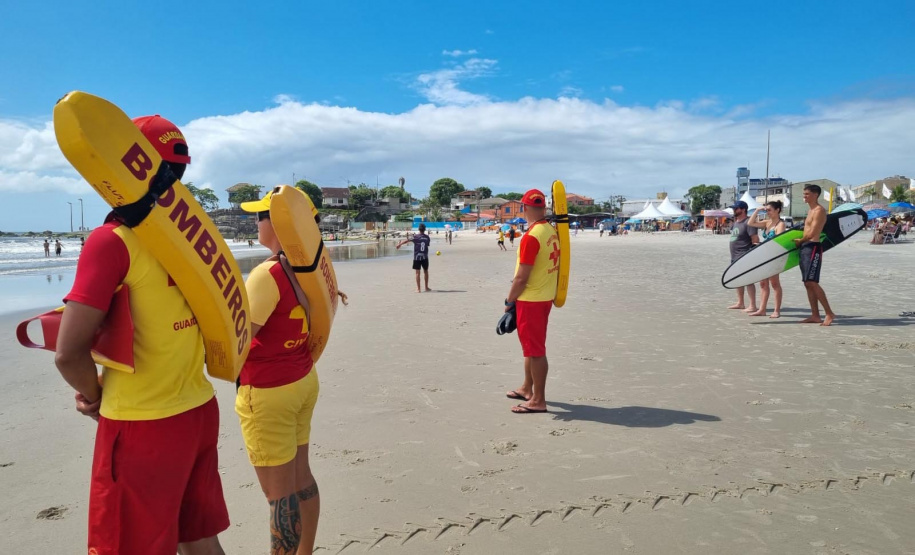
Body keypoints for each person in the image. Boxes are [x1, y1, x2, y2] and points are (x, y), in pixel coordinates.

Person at [54, 115, 229, 555]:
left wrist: (91, 395)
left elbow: (68, 353)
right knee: (199, 538)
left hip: (141, 422)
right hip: (199, 410)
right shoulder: (196, 241)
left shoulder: (112, 241)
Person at [237, 190, 323, 554]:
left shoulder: (266, 274)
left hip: (269, 392)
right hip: (302, 380)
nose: (255, 222)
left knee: (279, 497)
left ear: (278, 223)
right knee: (301, 477)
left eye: (260, 216)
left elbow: (239, 342)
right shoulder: (309, 267)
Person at [504, 189, 559, 414]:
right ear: (543, 208)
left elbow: (521, 277)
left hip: (531, 299)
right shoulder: (550, 230)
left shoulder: (531, 237)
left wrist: (509, 301)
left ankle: (538, 400)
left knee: (535, 351)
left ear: (524, 209)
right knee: (530, 347)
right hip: (544, 296)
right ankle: (527, 388)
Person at [794, 185, 835, 326]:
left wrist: (800, 241)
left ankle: (829, 313)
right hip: (805, 248)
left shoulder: (819, 211)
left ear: (815, 194)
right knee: (807, 283)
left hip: (813, 248)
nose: (804, 196)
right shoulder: (810, 210)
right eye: (804, 194)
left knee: (812, 282)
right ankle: (815, 315)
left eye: (807, 194)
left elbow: (812, 233)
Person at [747, 201, 786, 318]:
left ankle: (776, 310)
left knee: (775, 283)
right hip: (764, 256)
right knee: (763, 283)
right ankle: (762, 309)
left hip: (774, 256)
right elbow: (750, 223)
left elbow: (779, 240)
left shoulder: (780, 224)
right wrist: (757, 210)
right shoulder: (767, 223)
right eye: (766, 210)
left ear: (777, 210)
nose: (767, 212)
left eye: (769, 210)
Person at [726, 201, 758, 312]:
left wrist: (751, 255)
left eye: (736, 208)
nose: (734, 210)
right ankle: (740, 303)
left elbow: (755, 240)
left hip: (744, 255)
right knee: (738, 279)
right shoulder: (736, 222)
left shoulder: (748, 222)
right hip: (734, 256)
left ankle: (753, 305)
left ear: (743, 209)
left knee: (748, 280)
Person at [396, 223, 431, 292]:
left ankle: (418, 289)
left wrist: (400, 244)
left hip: (417, 257)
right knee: (426, 271)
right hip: (425, 257)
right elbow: (427, 245)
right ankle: (426, 287)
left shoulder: (415, 237)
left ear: (419, 229)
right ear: (424, 229)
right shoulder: (427, 237)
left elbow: (407, 240)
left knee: (417, 273)